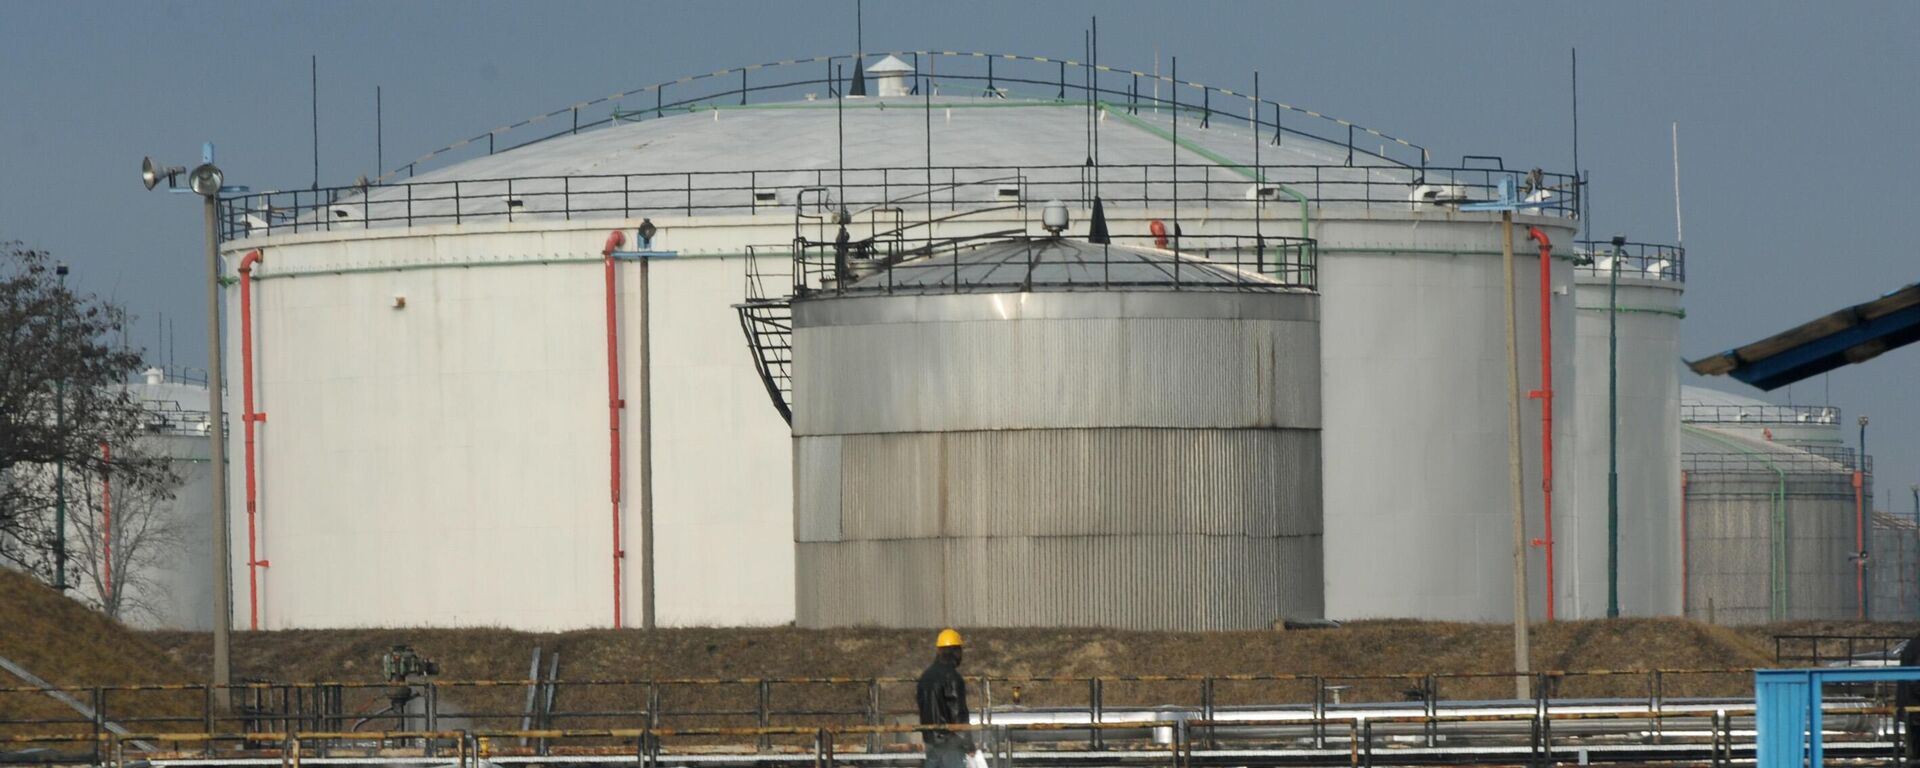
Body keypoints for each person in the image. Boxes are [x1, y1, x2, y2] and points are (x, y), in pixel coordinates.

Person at [916, 628, 974, 768]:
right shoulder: (953, 678)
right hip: (950, 744)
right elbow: (958, 714)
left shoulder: (925, 677)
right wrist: (969, 744)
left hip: (930, 741)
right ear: (956, 652)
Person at [1899, 633, 1920, 757]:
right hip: (1916, 710)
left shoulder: (1913, 644)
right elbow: (1916, 683)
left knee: (1914, 753)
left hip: (1912, 710)